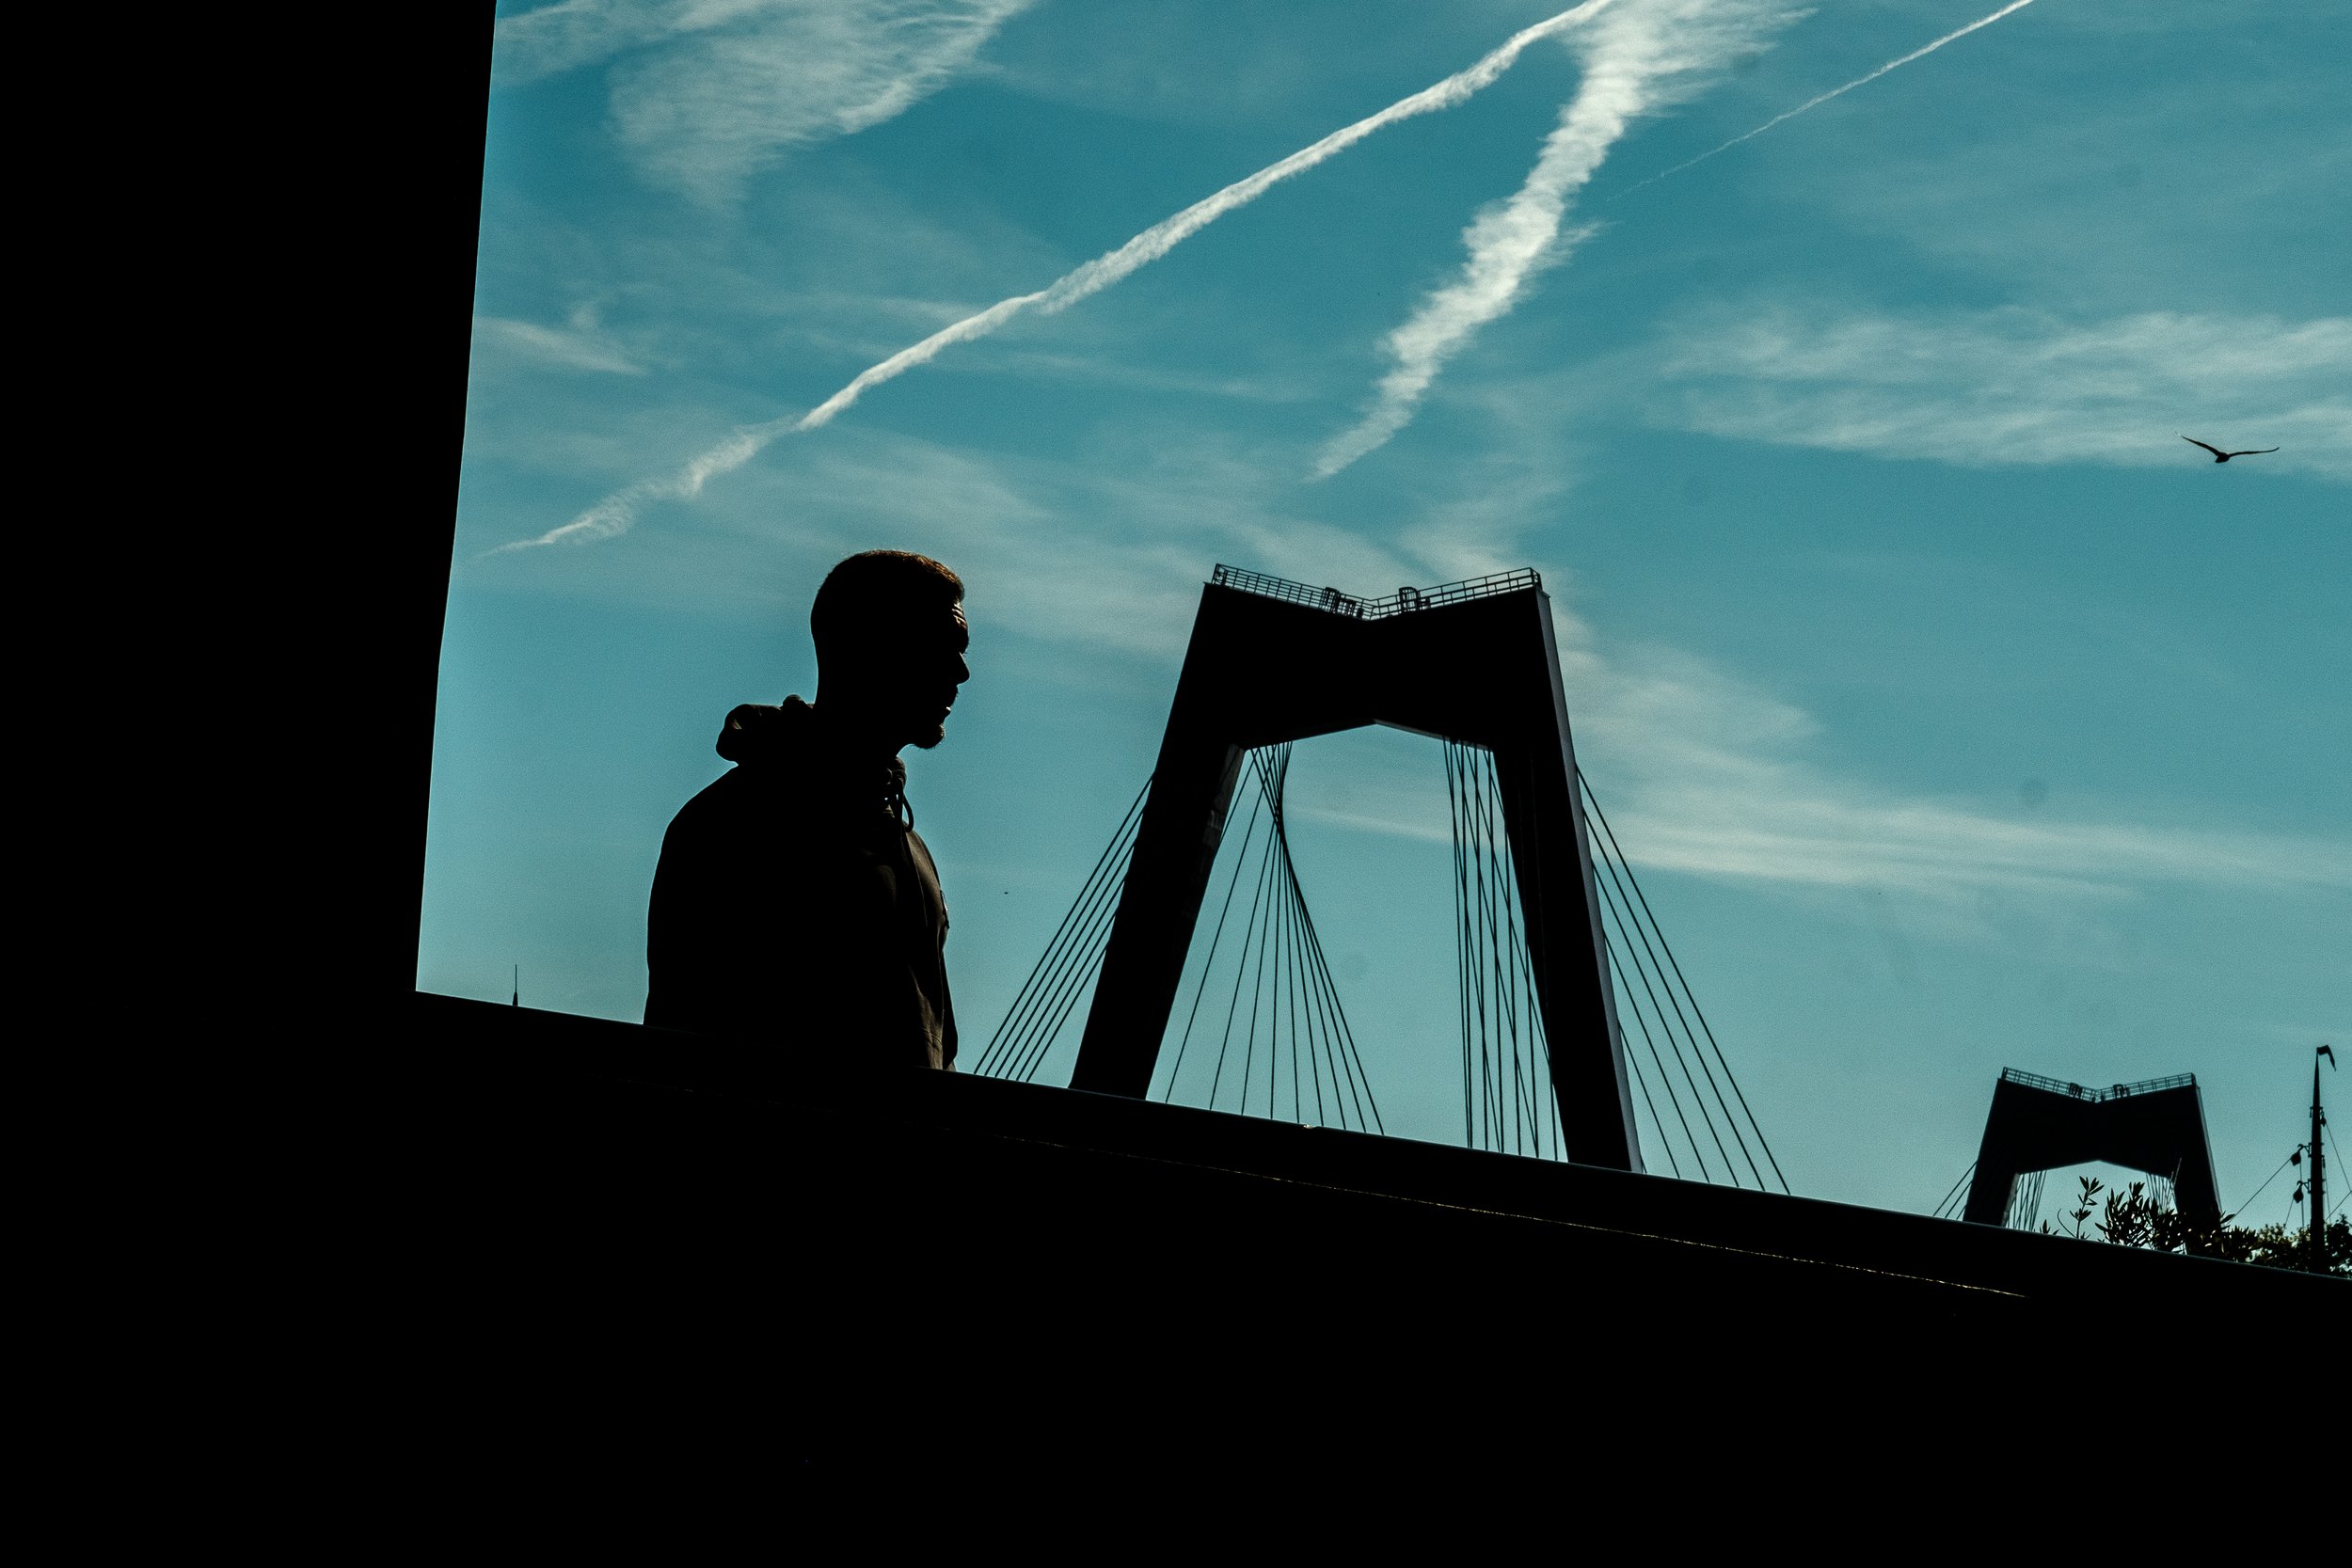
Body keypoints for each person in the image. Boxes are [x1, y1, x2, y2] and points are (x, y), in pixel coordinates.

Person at [645, 550, 969, 1071]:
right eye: (941, 646)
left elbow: (935, 1044)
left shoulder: (907, 846)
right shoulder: (734, 827)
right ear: (866, 646)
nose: (962, 671)